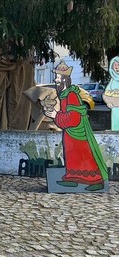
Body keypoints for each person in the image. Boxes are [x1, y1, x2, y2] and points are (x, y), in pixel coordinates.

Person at [42, 60, 107, 191]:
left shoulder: (72, 95)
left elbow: (74, 117)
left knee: (84, 155)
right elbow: (67, 113)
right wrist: (55, 113)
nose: (56, 80)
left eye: (58, 77)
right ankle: (72, 179)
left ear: (65, 79)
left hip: (78, 132)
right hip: (70, 132)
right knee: (72, 157)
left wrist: (55, 115)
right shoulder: (65, 94)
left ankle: (96, 181)